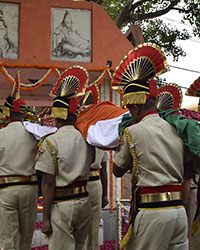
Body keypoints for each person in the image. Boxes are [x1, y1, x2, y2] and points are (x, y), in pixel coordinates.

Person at [112, 43, 193, 250]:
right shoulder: (176, 127)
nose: (130, 113)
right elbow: (189, 170)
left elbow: (117, 170)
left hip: (152, 211)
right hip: (178, 211)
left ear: (137, 106)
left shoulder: (133, 131)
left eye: (130, 108)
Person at [35, 68, 95, 250]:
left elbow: (48, 182)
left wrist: (45, 218)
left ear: (57, 116)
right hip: (84, 200)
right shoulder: (86, 138)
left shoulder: (51, 142)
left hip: (62, 204)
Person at [0, 83, 38, 249]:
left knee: (8, 236)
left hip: (6, 189)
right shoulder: (33, 133)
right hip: (29, 188)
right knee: (26, 236)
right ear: (23, 113)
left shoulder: (1, 134)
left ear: (7, 112)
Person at [84, 148, 109, 250]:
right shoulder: (100, 141)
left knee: (80, 225)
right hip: (95, 183)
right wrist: (104, 195)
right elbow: (103, 171)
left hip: (79, 183)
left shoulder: (76, 138)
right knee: (94, 225)